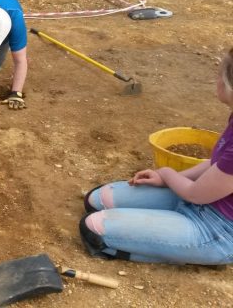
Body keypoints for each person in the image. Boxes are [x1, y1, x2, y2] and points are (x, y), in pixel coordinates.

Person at [80, 49, 233, 265]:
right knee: (96, 200)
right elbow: (216, 165)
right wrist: (166, 180)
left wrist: (167, 173)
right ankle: (171, 244)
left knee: (93, 228)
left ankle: (187, 255)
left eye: (220, 74)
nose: (216, 79)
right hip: (198, 201)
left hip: (218, 230)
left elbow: (196, 194)